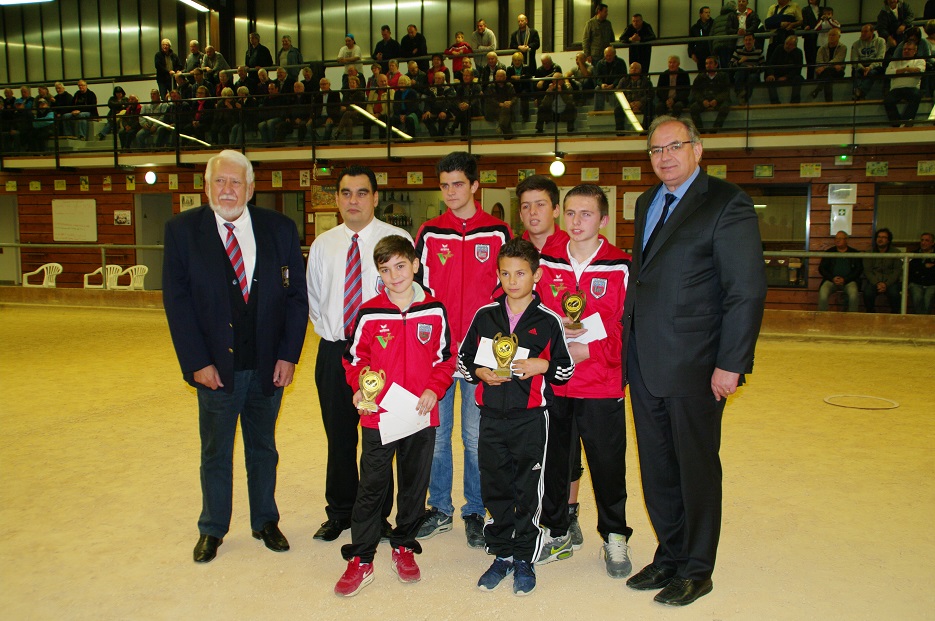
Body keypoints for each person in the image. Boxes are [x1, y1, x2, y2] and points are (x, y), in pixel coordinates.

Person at [622, 116, 767, 606]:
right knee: (658, 465)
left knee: (695, 466)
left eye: (675, 146)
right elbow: (644, 277)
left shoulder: (727, 203)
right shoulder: (645, 202)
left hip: (698, 365)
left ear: (698, 150)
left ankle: (698, 568)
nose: (664, 157)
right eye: (655, 150)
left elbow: (745, 291)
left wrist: (731, 363)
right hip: (644, 360)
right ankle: (670, 554)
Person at [162, 149, 308, 564]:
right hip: (214, 369)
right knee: (216, 451)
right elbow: (177, 302)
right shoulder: (182, 231)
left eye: (235, 182)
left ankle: (265, 520)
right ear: (207, 186)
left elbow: (297, 298)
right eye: (219, 182)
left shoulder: (279, 228)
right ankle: (213, 528)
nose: (227, 190)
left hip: (268, 366)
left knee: (263, 447)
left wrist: (288, 354)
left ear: (251, 187)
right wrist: (196, 362)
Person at [334, 235, 456, 597]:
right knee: (371, 485)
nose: (394, 276)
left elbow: (445, 358)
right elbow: (354, 360)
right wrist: (359, 386)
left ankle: (404, 544)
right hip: (379, 415)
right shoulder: (369, 312)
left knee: (414, 485)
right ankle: (362, 556)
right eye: (385, 270)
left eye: (400, 266)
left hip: (419, 414)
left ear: (416, 265)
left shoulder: (435, 310)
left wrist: (435, 388)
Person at [459, 237, 574, 596]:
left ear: (536, 275)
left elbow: (565, 371)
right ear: (498, 274)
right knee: (495, 485)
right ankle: (501, 553)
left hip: (530, 420)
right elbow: (463, 362)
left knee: (527, 489)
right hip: (490, 416)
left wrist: (544, 364)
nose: (512, 281)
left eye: (521, 273)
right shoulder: (484, 315)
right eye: (506, 273)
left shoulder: (549, 320)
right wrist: (479, 373)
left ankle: (524, 556)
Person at [533, 183, 634, 581]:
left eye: (586, 214)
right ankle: (556, 530)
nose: (576, 222)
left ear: (603, 220)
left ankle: (614, 535)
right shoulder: (548, 261)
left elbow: (629, 329)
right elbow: (534, 316)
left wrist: (590, 353)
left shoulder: (621, 265)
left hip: (601, 382)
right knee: (555, 463)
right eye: (571, 214)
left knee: (607, 465)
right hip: (556, 384)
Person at [306, 166, 412, 542]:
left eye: (362, 193)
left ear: (376, 197)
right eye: (346, 193)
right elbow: (315, 301)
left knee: (380, 441)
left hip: (383, 356)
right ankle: (339, 512)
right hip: (336, 352)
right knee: (339, 437)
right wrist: (341, 336)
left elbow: (411, 295)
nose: (354, 200)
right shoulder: (323, 244)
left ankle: (378, 515)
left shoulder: (396, 238)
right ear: (336, 198)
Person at [414, 152, 512, 548]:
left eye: (458, 184)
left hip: (481, 351)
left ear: (475, 185)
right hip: (437, 350)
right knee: (436, 434)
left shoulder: (498, 232)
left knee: (475, 436)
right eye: (444, 185)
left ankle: (475, 509)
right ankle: (438, 507)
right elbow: (418, 291)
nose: (451, 192)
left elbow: (508, 290)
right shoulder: (430, 232)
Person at [817, 231, 863, 312]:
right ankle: (822, 318)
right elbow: (822, 269)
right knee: (823, 292)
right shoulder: (829, 252)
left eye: (840, 238)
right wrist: (832, 278)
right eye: (836, 238)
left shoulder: (854, 253)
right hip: (831, 281)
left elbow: (858, 270)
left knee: (853, 294)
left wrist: (845, 279)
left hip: (849, 281)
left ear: (846, 240)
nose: (837, 240)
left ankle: (853, 318)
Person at [883, 40, 924, 126]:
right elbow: (888, 73)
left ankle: (906, 122)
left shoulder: (919, 61)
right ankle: (896, 124)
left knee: (916, 95)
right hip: (896, 89)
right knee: (888, 100)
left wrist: (898, 72)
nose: (906, 51)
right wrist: (907, 69)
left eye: (909, 49)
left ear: (915, 51)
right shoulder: (894, 62)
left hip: (912, 88)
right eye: (904, 49)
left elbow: (919, 72)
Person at [862, 228, 903, 313]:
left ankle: (895, 316)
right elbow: (867, 271)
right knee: (867, 293)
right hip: (874, 281)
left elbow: (897, 271)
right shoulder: (869, 252)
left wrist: (886, 284)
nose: (880, 239)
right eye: (879, 237)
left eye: (884, 237)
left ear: (888, 240)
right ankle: (871, 314)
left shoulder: (896, 252)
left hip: (890, 282)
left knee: (895, 294)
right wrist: (877, 283)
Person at [690, 57, 731, 132]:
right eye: (706, 63)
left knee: (725, 107)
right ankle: (701, 131)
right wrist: (702, 100)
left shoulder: (723, 76)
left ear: (716, 64)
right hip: (704, 100)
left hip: (718, 100)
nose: (708, 65)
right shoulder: (700, 76)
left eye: (710, 63)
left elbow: (726, 91)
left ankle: (714, 130)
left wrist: (717, 100)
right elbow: (695, 91)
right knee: (693, 108)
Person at [852, 24, 887, 100]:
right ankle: (860, 95)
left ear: (872, 32)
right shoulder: (856, 44)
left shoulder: (880, 41)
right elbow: (854, 60)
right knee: (856, 73)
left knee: (872, 73)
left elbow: (880, 57)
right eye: (862, 32)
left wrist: (870, 67)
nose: (863, 33)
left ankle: (859, 92)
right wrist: (863, 68)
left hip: (875, 65)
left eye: (866, 31)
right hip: (861, 65)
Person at [615, 62, 654, 131]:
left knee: (650, 107)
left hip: (642, 103)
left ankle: (645, 131)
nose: (634, 70)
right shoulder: (624, 80)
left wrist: (640, 102)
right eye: (632, 68)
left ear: (640, 70)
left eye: (636, 68)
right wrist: (628, 103)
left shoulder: (646, 81)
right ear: (629, 70)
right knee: (618, 109)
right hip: (627, 103)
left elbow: (650, 94)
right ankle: (620, 132)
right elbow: (619, 93)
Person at [765, 35, 804, 104]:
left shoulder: (798, 53)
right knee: (769, 80)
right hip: (777, 74)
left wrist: (786, 77)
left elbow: (798, 69)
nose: (787, 46)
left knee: (798, 78)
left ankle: (795, 102)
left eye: (790, 45)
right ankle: (775, 102)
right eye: (786, 43)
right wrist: (771, 74)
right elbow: (771, 63)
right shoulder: (779, 48)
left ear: (795, 46)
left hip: (791, 76)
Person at [811, 28, 846, 102]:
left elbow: (837, 60)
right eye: (830, 35)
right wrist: (825, 67)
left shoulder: (843, 47)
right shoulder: (821, 48)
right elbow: (819, 61)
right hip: (825, 73)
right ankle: (829, 100)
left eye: (833, 35)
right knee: (828, 76)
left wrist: (824, 67)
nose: (831, 37)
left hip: (837, 72)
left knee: (828, 71)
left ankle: (818, 89)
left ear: (839, 37)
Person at [730, 33, 765, 104]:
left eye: (750, 40)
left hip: (753, 74)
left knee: (751, 77)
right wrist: (739, 62)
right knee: (741, 70)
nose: (748, 42)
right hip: (740, 74)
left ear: (754, 41)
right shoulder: (738, 51)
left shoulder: (759, 52)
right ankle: (740, 93)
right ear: (744, 41)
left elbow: (763, 67)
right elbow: (730, 66)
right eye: (746, 40)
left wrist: (753, 68)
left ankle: (745, 99)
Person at [594, 46, 627, 111]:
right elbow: (597, 77)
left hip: (617, 85)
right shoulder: (600, 63)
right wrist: (601, 84)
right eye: (607, 55)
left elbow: (622, 76)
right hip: (604, 85)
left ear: (614, 55)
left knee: (619, 89)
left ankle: (617, 110)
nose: (608, 57)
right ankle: (598, 111)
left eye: (610, 56)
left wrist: (613, 84)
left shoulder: (620, 62)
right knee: (597, 89)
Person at [908, 232, 935, 314]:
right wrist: (924, 266)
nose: (923, 242)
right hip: (916, 283)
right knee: (917, 297)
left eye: (927, 240)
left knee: (928, 299)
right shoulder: (914, 254)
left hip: (932, 284)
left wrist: (920, 268)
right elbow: (912, 270)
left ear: (933, 242)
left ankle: (924, 321)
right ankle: (921, 320)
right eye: (922, 240)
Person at [485, 69, 517, 138]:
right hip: (494, 110)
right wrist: (499, 104)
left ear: (505, 77)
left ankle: (501, 126)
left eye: (501, 76)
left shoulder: (509, 86)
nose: (499, 78)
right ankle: (509, 136)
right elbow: (489, 100)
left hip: (506, 109)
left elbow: (514, 97)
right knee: (505, 111)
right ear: (495, 77)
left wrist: (510, 102)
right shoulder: (490, 86)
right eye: (498, 76)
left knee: (505, 109)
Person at [506, 51, 533, 122]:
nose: (517, 62)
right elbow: (508, 79)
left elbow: (528, 76)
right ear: (512, 61)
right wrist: (521, 77)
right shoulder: (509, 69)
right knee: (509, 98)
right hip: (513, 89)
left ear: (522, 61)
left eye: (519, 60)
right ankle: (511, 118)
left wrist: (519, 78)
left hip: (524, 88)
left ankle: (525, 117)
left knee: (524, 96)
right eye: (515, 60)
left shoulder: (526, 67)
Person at [689, 6, 714, 75]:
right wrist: (692, 53)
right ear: (700, 14)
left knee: (712, 73)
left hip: (711, 53)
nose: (708, 14)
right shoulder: (695, 28)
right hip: (700, 55)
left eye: (709, 12)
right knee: (702, 74)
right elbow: (690, 42)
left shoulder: (714, 25)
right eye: (706, 12)